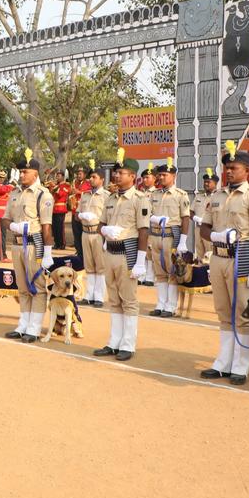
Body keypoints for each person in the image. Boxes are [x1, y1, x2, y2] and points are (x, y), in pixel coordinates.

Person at [198, 142, 249, 385]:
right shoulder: (217, 196)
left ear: (246, 170)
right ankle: (223, 362)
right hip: (218, 257)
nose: (228, 171)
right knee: (223, 311)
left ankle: (241, 365)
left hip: (242, 258)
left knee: (241, 313)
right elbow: (204, 228)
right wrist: (215, 236)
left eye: (234, 168)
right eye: (226, 167)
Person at [93, 149, 148, 361]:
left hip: (128, 253)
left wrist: (141, 261)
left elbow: (143, 230)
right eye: (116, 172)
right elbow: (101, 224)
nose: (116, 176)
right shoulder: (110, 198)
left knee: (129, 300)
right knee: (114, 299)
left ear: (133, 176)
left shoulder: (139, 199)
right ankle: (113, 341)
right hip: (111, 253)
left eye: (122, 173)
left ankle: (128, 344)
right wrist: (104, 231)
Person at [2, 149, 55, 343]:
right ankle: (23, 323)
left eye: (25, 172)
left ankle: (34, 327)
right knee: (22, 287)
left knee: (38, 287)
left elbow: (47, 226)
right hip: (16, 245)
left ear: (35, 173)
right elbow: (5, 219)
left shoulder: (43, 195)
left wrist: (48, 253)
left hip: (35, 244)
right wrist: (13, 225)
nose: (21, 175)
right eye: (20, 172)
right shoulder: (15, 193)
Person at [148, 157, 191, 318]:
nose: (161, 177)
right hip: (156, 234)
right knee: (159, 272)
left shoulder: (181, 195)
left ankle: (170, 306)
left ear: (174, 176)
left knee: (172, 271)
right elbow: (147, 213)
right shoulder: (154, 194)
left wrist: (183, 241)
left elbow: (185, 218)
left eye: (164, 175)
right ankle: (160, 304)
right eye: (159, 175)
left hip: (171, 236)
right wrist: (153, 219)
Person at [75, 160, 108, 307]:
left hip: (98, 233)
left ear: (102, 179)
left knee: (100, 265)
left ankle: (99, 296)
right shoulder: (85, 195)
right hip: (85, 232)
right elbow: (77, 214)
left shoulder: (106, 196)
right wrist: (82, 216)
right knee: (88, 265)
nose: (91, 179)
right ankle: (89, 295)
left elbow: (109, 216)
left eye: (94, 177)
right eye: (90, 177)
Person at [191, 167, 219, 261]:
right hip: (198, 228)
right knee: (199, 253)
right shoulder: (199, 196)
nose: (206, 184)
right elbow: (190, 212)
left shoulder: (219, 196)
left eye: (209, 182)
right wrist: (196, 218)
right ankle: (201, 274)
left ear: (215, 184)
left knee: (210, 254)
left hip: (211, 229)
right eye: (205, 182)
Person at [68, 169, 87, 257]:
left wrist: (79, 192)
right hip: (74, 211)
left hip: (82, 211)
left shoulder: (87, 183)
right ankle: (78, 250)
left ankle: (83, 252)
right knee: (76, 233)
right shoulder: (75, 183)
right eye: (78, 174)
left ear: (84, 175)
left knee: (82, 233)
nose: (78, 176)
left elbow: (89, 193)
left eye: (80, 174)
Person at [51, 171, 71, 250]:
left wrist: (55, 188)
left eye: (59, 176)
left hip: (61, 208)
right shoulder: (57, 185)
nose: (57, 178)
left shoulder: (66, 185)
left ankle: (62, 244)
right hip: (54, 209)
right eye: (57, 176)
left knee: (60, 228)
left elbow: (61, 194)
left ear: (63, 177)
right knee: (55, 228)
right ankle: (56, 243)